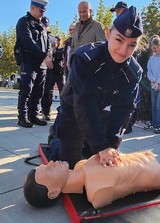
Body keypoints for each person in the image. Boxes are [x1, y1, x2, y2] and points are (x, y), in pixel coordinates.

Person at [50, 6, 143, 169]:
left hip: (101, 111)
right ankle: (56, 136)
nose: (123, 50)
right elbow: (85, 103)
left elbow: (123, 109)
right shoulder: (84, 58)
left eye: (132, 45)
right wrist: (101, 145)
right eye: (119, 40)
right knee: (68, 165)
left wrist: (111, 145)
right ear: (108, 34)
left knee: (100, 162)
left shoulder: (134, 71)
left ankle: (89, 141)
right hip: (74, 107)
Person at [23, 151, 160, 208]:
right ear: (53, 192)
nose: (52, 162)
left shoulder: (81, 165)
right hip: (155, 172)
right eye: (48, 170)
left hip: (147, 157)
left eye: (46, 164)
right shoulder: (97, 192)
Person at [15, 0, 53, 128]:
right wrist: (43, 56)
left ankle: (33, 115)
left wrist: (47, 55)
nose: (42, 14)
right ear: (32, 8)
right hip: (29, 61)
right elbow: (28, 42)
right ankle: (22, 116)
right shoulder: (24, 22)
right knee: (27, 89)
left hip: (42, 63)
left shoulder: (41, 25)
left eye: (44, 11)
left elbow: (47, 43)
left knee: (38, 91)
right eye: (41, 11)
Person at [147, 35, 160, 133]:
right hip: (153, 84)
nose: (155, 49)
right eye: (153, 47)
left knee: (159, 105)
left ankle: (158, 125)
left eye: (157, 47)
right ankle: (154, 123)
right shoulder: (151, 59)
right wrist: (153, 80)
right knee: (153, 105)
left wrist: (158, 82)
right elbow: (149, 71)